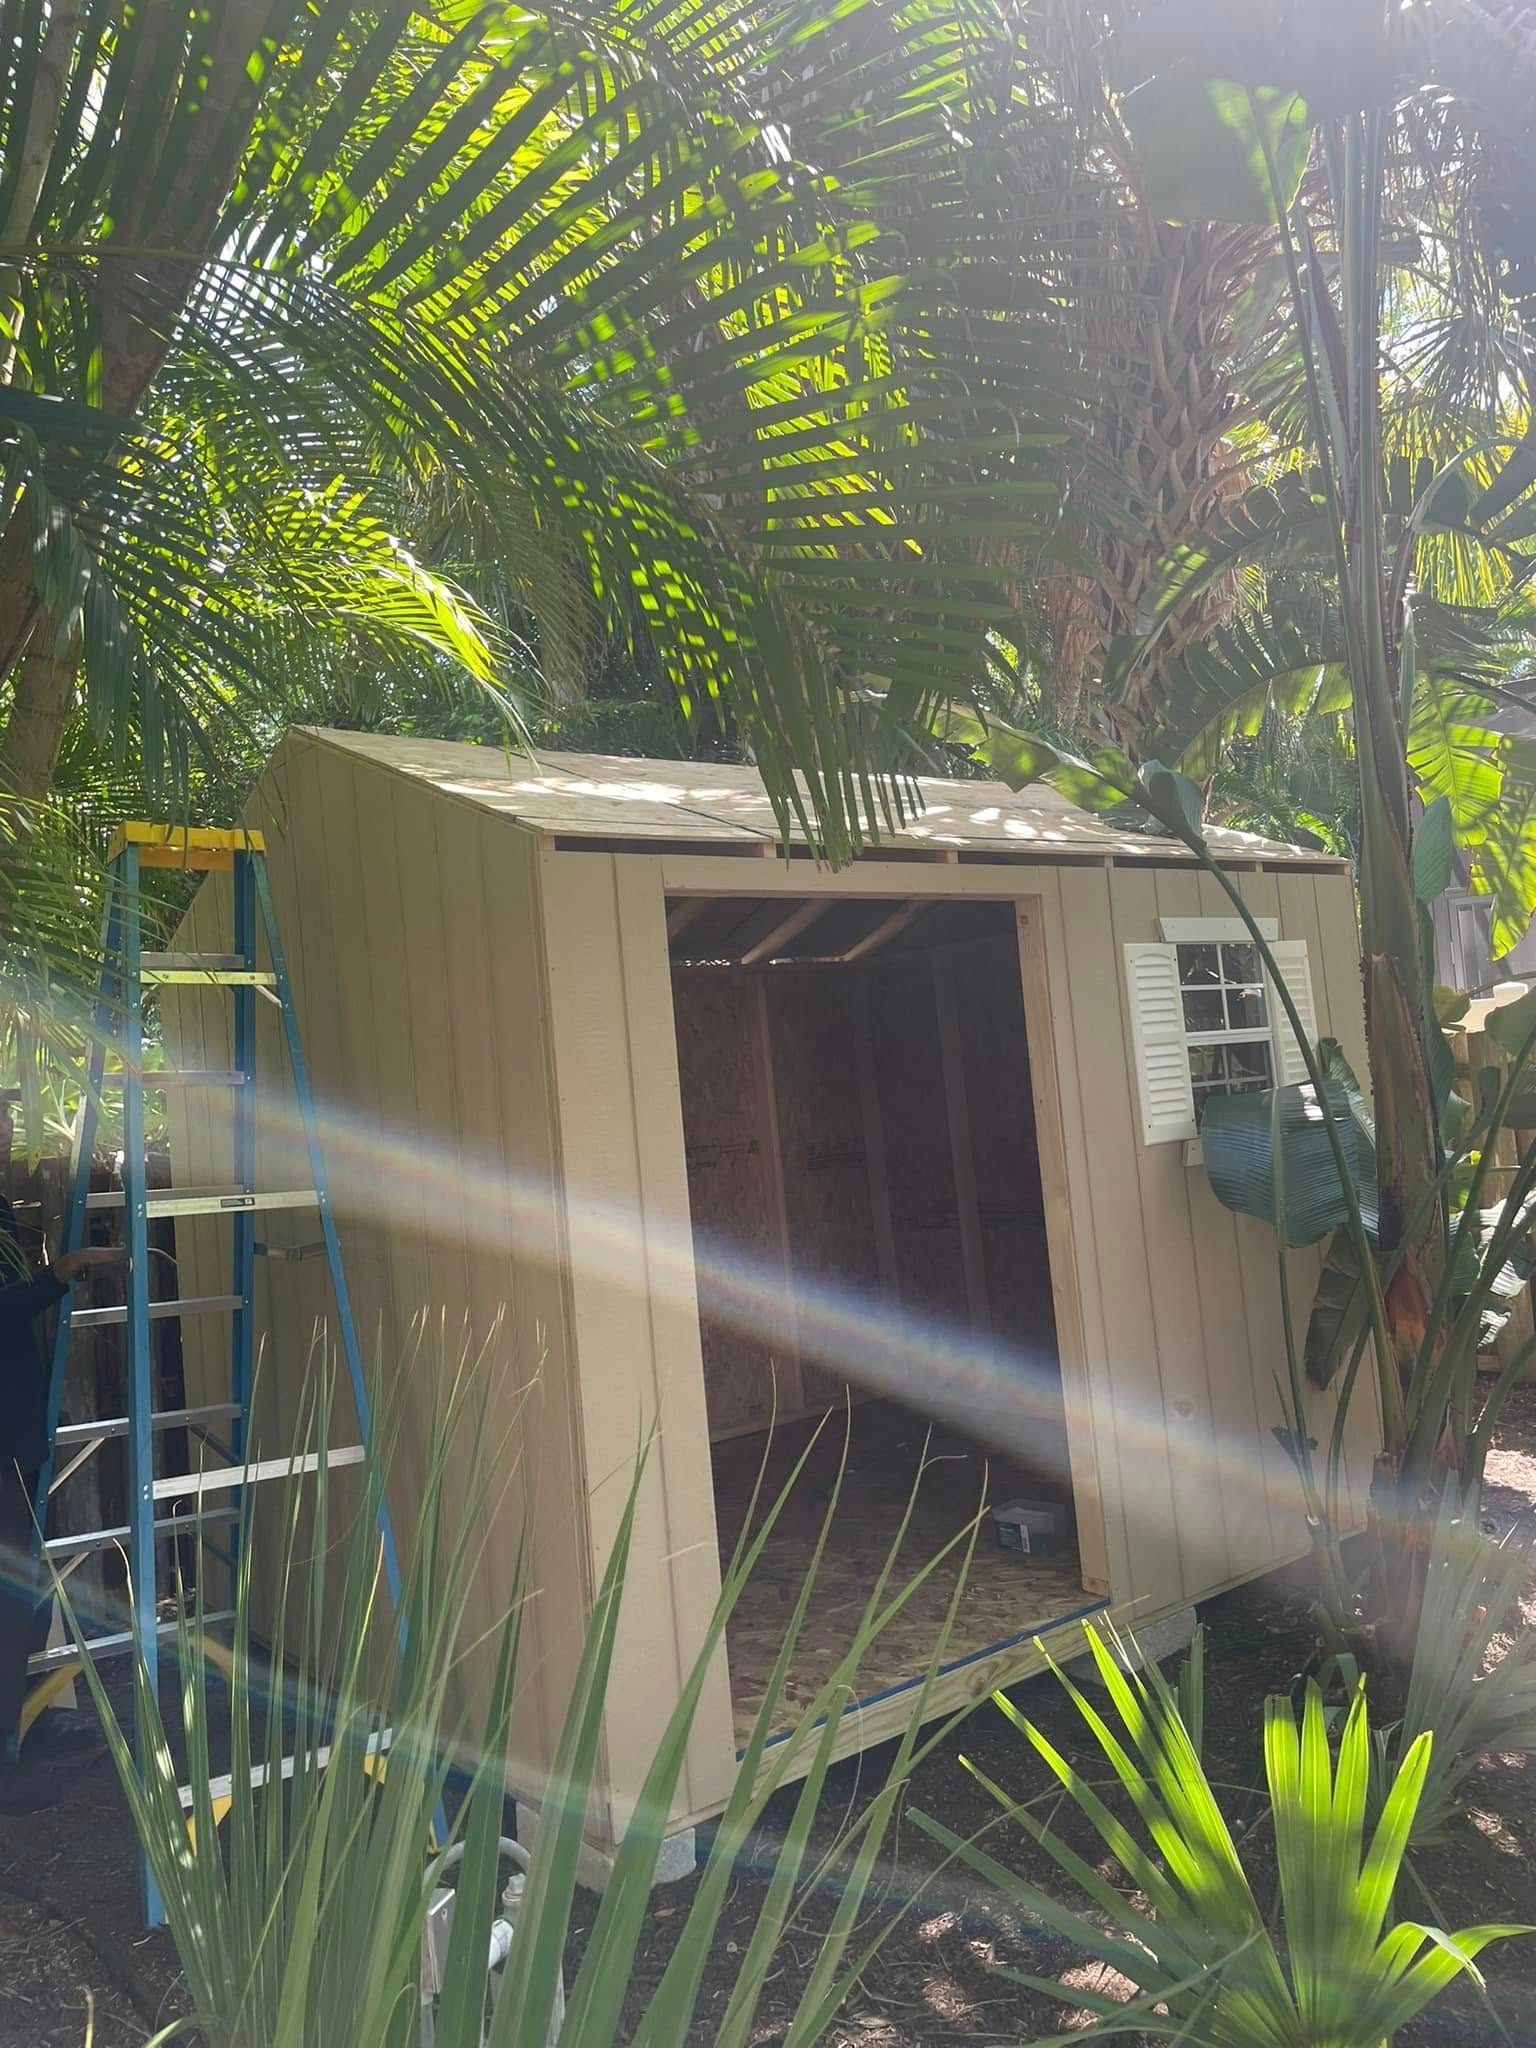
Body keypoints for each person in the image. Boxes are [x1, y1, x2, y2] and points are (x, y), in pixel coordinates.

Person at [0, 1105, 127, 1814]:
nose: (3, 1134)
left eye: (4, 1121)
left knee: (26, 1595)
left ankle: (24, 1728)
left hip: (16, 1437)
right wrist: (59, 1275)